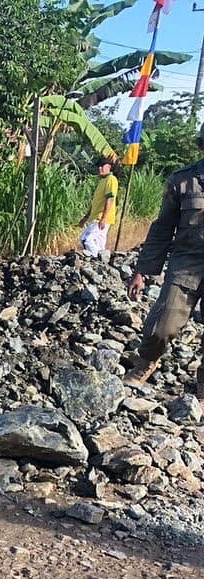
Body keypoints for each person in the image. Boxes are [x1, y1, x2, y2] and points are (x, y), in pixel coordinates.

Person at [124, 123, 204, 398]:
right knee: (163, 325)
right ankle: (146, 361)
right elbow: (161, 229)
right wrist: (142, 272)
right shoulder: (183, 181)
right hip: (186, 264)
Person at [78, 157, 118, 259]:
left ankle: (96, 259)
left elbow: (110, 199)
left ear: (109, 167)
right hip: (96, 217)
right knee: (100, 244)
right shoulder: (102, 181)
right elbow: (96, 202)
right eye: (99, 167)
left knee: (86, 239)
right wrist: (86, 217)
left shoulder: (111, 180)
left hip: (100, 218)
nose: (100, 168)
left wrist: (104, 218)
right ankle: (102, 262)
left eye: (102, 166)